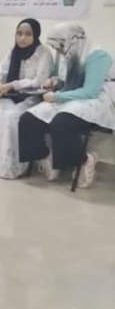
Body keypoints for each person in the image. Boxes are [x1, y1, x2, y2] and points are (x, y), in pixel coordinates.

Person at [19, 23, 115, 188]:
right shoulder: (71, 54)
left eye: (61, 46)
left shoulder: (98, 56)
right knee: (29, 119)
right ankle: (46, 156)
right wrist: (55, 82)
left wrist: (57, 96)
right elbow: (67, 80)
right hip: (71, 95)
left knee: (61, 122)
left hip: (94, 99)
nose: (59, 51)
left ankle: (84, 160)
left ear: (72, 40)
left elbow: (90, 91)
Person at [0, 19, 53, 179]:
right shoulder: (14, 51)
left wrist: (12, 85)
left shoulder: (43, 53)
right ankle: (0, 160)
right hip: (11, 97)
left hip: (33, 99)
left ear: (36, 35)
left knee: (11, 118)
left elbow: (39, 81)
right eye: (19, 34)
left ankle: (15, 165)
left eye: (28, 34)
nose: (22, 38)